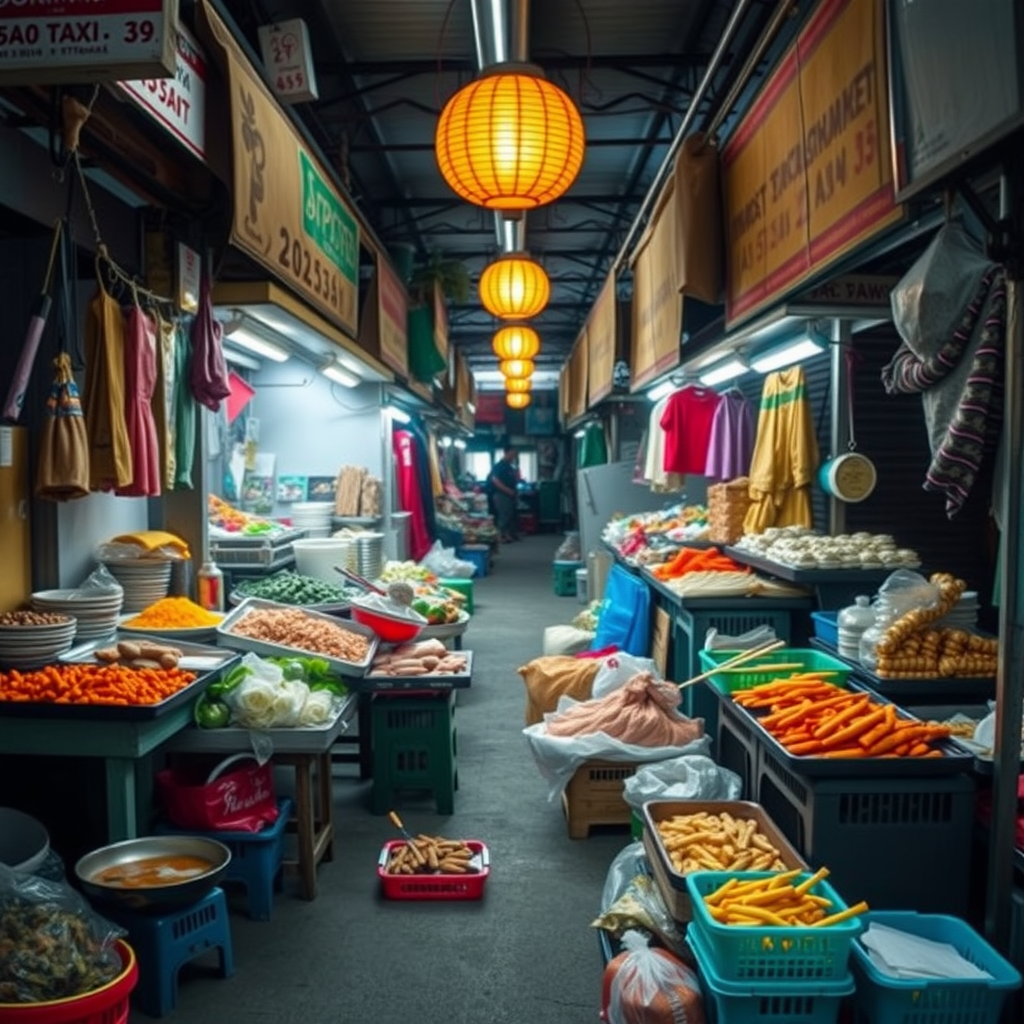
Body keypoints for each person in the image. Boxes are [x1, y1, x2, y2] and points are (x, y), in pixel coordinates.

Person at [488, 447, 520, 543]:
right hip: (501, 494)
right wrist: (508, 491)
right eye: (512, 454)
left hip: (510, 494)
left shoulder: (509, 466)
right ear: (506, 453)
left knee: (510, 515)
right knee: (504, 515)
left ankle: (508, 535)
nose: (513, 457)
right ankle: (501, 536)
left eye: (515, 455)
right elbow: (495, 481)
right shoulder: (499, 466)